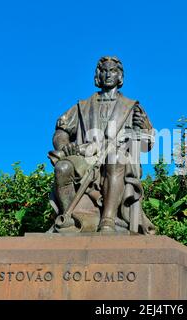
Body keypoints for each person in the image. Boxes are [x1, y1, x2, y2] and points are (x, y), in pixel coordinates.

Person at [47, 56, 155, 234]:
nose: (108, 74)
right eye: (104, 70)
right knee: (63, 167)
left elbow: (146, 143)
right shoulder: (83, 106)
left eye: (112, 70)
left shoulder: (132, 107)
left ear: (120, 76)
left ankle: (108, 220)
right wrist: (64, 145)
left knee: (115, 159)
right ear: (98, 75)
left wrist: (144, 129)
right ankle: (71, 220)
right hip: (86, 156)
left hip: (118, 157)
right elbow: (61, 131)